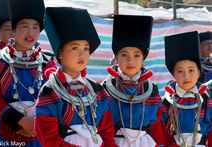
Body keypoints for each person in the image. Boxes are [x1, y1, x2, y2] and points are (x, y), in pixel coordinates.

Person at [34, 7, 116, 147]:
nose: (82, 54)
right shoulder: (51, 90)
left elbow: (107, 130)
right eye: (75, 48)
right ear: (60, 53)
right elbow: (48, 138)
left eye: (86, 49)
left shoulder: (97, 90)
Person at [0, 0, 56, 146]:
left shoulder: (47, 60)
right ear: (13, 30)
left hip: (39, 132)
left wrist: (35, 123)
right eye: (24, 26)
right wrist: (20, 121)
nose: (30, 32)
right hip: (4, 133)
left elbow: (54, 96)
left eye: (35, 27)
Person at [102, 15, 167, 147]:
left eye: (136, 55)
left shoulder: (152, 90)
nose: (130, 61)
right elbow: (103, 125)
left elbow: (156, 126)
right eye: (124, 55)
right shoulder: (106, 87)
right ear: (116, 57)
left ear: (143, 58)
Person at [162, 31, 212, 147]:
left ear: (199, 72)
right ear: (173, 74)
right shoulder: (166, 101)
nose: (186, 76)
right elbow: (161, 131)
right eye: (180, 71)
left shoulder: (206, 99)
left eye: (191, 70)